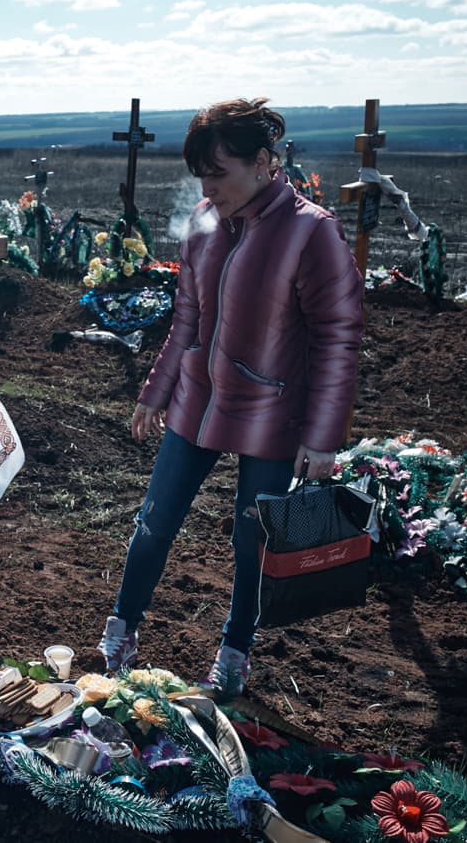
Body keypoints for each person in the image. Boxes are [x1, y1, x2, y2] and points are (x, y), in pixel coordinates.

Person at [96, 97, 364, 699]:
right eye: (201, 175)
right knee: (154, 521)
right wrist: (156, 390)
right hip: (195, 402)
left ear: (265, 161)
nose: (208, 187)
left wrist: (322, 439)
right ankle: (120, 631)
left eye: (219, 172)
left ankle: (235, 652)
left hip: (272, 414)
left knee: (253, 543)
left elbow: (337, 338)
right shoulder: (203, 221)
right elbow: (186, 318)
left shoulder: (311, 231)